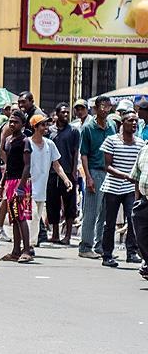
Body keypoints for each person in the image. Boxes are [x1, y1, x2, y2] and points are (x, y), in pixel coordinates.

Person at [99, 110, 145, 267]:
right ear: (122, 123)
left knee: (132, 221)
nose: (133, 124)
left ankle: (131, 252)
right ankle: (107, 254)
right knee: (110, 222)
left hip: (131, 188)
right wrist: (126, 176)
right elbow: (107, 166)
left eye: (136, 121)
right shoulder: (111, 141)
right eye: (130, 121)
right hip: (112, 187)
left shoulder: (140, 144)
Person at [79, 95, 117, 259]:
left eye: (108, 106)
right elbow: (84, 154)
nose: (105, 109)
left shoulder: (112, 126)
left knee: (105, 212)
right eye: (103, 106)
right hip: (94, 171)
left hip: (110, 172)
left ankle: (99, 245)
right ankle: (85, 247)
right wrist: (88, 177)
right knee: (91, 211)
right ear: (95, 107)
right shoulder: (88, 128)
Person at [26, 115, 73, 248]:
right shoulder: (27, 143)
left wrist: (65, 179)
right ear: (34, 127)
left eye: (46, 125)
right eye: (42, 125)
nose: (45, 128)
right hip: (28, 186)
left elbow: (56, 164)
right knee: (33, 216)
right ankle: (28, 244)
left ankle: (30, 243)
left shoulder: (49, 144)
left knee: (37, 216)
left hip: (42, 187)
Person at [0, 111, 34, 262]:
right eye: (10, 121)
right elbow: (8, 165)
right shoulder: (7, 140)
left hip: (21, 181)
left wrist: (20, 187)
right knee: (13, 217)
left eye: (16, 122)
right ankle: (15, 251)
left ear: (23, 125)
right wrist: (1, 184)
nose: (12, 124)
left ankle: (26, 250)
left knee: (20, 217)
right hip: (10, 181)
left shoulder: (25, 141)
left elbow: (27, 166)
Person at [48, 103, 81, 245]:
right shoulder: (49, 131)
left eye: (68, 112)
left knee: (69, 205)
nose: (66, 115)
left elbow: (75, 152)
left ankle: (67, 235)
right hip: (51, 173)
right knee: (52, 203)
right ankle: (55, 233)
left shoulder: (73, 131)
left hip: (68, 172)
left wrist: (74, 172)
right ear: (57, 114)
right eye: (63, 112)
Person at [128, 140, 148, 279]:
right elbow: (136, 176)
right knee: (141, 235)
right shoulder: (144, 149)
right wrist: (137, 200)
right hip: (144, 200)